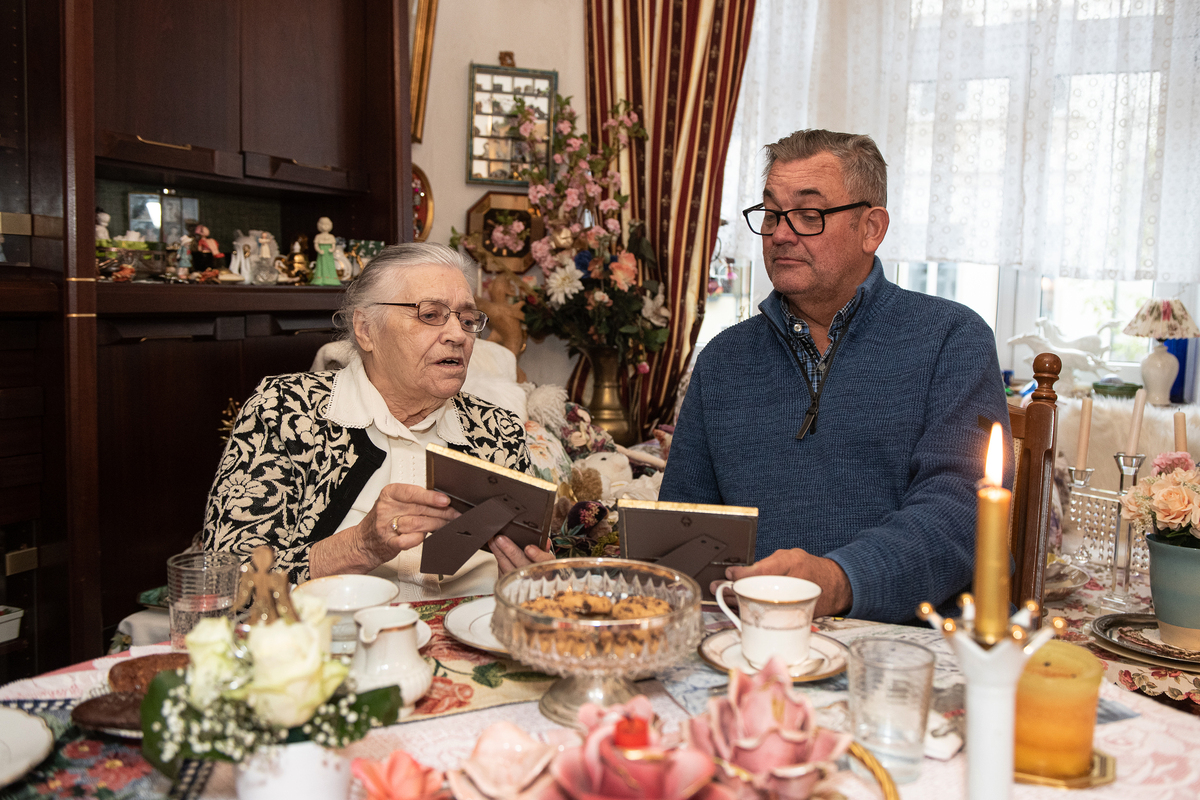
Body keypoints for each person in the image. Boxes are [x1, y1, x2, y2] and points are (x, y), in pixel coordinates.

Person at [659, 129, 1011, 623]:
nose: (781, 233)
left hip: (914, 645)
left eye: (808, 214)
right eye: (773, 214)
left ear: (871, 228)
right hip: (758, 638)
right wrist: (591, 578)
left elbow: (959, 514)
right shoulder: (723, 360)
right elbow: (684, 529)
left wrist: (840, 579)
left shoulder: (951, 338)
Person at [203, 242, 533, 600]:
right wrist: (360, 546)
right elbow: (225, 580)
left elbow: (532, 577)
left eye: (467, 320)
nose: (458, 335)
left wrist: (531, 577)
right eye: (430, 314)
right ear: (365, 329)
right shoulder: (286, 410)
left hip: (471, 637)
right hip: (329, 646)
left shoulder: (499, 430)